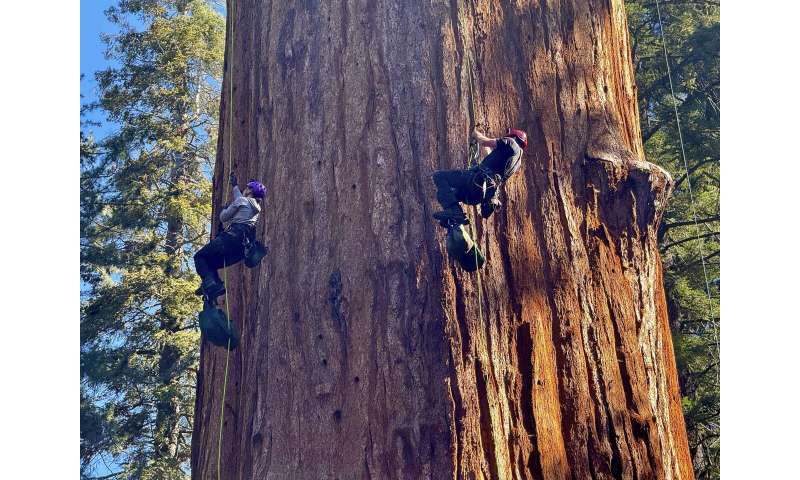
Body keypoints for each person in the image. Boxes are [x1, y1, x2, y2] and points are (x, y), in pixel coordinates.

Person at [432, 127, 528, 227]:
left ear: (515, 136)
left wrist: (476, 134)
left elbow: (486, 142)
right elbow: (492, 160)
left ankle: (455, 212)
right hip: (481, 195)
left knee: (439, 176)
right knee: (450, 194)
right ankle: (455, 218)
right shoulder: (517, 161)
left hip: (475, 182)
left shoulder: (511, 142)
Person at [194, 173, 266, 300]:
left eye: (247, 187)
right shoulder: (256, 208)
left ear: (249, 191)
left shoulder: (242, 201)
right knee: (210, 263)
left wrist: (224, 209)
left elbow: (224, 217)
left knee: (200, 256)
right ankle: (214, 285)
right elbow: (242, 201)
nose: (245, 189)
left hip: (230, 239)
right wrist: (235, 186)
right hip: (240, 251)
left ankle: (211, 282)